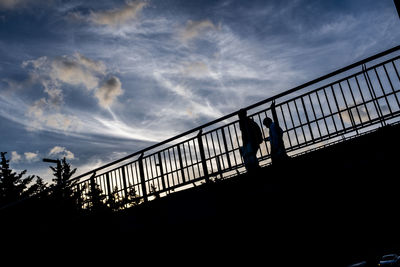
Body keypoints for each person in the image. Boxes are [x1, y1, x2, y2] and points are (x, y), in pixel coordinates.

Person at [263, 100, 289, 165]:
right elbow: (277, 134)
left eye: (265, 124)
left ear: (267, 123)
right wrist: (269, 139)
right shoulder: (273, 126)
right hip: (277, 146)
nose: (266, 126)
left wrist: (276, 144)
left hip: (277, 147)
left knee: (279, 159)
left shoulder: (273, 126)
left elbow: (277, 134)